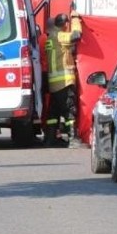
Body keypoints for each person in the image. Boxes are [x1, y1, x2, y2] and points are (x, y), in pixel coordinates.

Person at [44, 11, 82, 147]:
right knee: (69, 110)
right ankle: (73, 139)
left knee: (53, 112)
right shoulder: (59, 36)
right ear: (66, 24)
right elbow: (76, 35)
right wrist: (76, 18)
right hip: (64, 81)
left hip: (53, 83)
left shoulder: (50, 37)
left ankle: (50, 139)